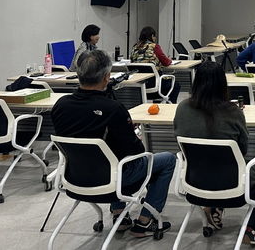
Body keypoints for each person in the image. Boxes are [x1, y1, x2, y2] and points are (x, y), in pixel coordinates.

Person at [51, 50, 175, 237]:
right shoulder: (114, 109)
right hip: (113, 179)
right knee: (166, 160)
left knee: (111, 156)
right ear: (107, 77)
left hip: (74, 178)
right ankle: (144, 221)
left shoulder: (60, 106)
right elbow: (136, 151)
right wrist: (133, 134)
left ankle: (120, 215)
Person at [174, 61, 255, 246]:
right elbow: (242, 150)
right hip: (232, 188)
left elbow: (179, 143)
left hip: (194, 184)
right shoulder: (233, 112)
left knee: (212, 162)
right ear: (222, 84)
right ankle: (251, 228)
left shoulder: (182, 108)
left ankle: (213, 206)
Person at [131, 26, 182, 103]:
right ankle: (170, 106)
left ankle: (157, 104)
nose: (155, 38)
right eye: (154, 36)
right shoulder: (155, 46)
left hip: (139, 86)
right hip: (155, 85)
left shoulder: (135, 47)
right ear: (152, 36)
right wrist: (168, 60)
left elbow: (132, 61)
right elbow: (166, 62)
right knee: (175, 85)